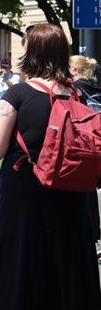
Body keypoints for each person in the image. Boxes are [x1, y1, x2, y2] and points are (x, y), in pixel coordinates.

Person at [0, 24, 101, 310]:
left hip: (25, 204)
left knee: (19, 282)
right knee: (55, 288)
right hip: (70, 203)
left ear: (31, 52)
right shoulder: (76, 94)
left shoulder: (17, 95)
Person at [69, 55, 101, 259]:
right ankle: (93, 238)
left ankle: (84, 241)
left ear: (74, 71)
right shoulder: (97, 90)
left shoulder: (76, 90)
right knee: (89, 194)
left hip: (81, 147)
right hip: (97, 148)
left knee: (78, 195)